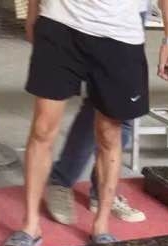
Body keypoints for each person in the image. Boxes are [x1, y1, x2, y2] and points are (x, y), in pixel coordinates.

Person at [1, 0, 168, 246]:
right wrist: (32, 15)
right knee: (42, 128)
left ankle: (101, 226)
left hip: (119, 33)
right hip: (60, 24)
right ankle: (30, 226)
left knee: (109, 134)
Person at [45, 0, 150, 227]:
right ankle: (61, 181)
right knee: (97, 105)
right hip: (84, 13)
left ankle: (101, 192)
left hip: (134, 12)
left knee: (121, 113)